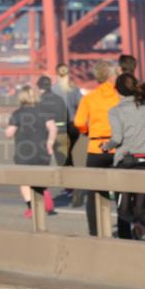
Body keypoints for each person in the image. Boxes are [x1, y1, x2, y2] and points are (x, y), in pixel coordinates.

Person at [102, 75, 145, 240]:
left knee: (124, 210)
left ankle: (127, 244)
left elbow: (117, 139)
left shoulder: (115, 111)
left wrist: (106, 146)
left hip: (126, 164)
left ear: (117, 90)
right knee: (140, 210)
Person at [74, 60, 123, 237]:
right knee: (122, 192)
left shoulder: (89, 98)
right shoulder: (120, 98)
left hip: (96, 148)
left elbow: (79, 122)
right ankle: (124, 230)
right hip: (118, 148)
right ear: (110, 77)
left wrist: (87, 131)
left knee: (93, 193)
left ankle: (95, 232)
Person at [5, 85, 56, 218]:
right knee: (40, 177)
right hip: (42, 152)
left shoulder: (17, 113)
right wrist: (50, 144)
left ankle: (31, 207)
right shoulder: (44, 111)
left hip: (24, 153)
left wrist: (8, 129)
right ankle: (44, 194)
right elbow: (53, 128)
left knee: (24, 181)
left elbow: (9, 133)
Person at [52, 64, 84, 205]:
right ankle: (73, 184)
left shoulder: (52, 90)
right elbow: (82, 104)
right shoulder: (74, 89)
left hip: (60, 127)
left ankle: (70, 187)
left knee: (63, 158)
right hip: (73, 126)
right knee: (71, 154)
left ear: (57, 74)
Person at [36, 75, 69, 168]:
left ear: (39, 86)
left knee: (43, 165)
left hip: (46, 135)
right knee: (64, 164)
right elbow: (66, 115)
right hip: (62, 133)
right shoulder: (59, 99)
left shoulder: (39, 101)